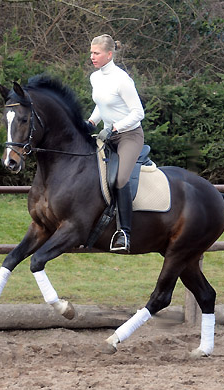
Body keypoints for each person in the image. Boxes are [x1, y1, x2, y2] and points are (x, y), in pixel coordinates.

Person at [88, 34, 145, 253]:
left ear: (109, 54)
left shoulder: (122, 80)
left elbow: (138, 113)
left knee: (120, 179)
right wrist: (92, 121)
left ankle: (124, 234)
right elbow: (101, 104)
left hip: (129, 136)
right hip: (107, 134)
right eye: (91, 53)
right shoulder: (95, 78)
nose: (92, 57)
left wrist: (114, 127)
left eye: (96, 53)